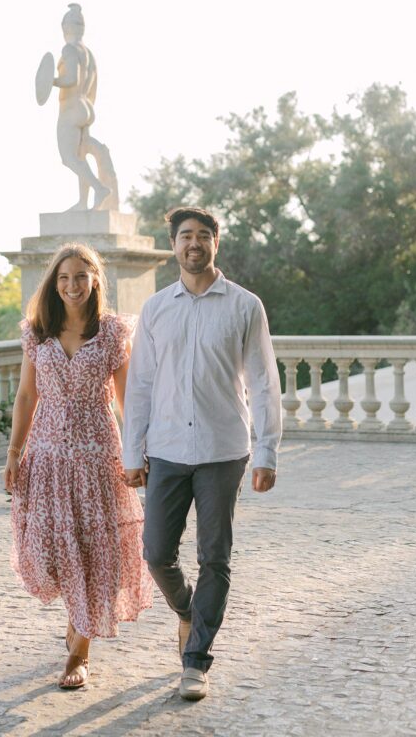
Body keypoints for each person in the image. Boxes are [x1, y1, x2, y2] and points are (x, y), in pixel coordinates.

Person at [122, 206, 282, 701]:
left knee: (215, 556)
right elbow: (142, 385)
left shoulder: (244, 305)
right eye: (185, 236)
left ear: (217, 243)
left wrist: (266, 454)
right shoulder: (155, 309)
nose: (194, 244)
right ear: (173, 245)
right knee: (155, 553)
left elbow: (263, 381)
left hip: (222, 450)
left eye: (203, 236)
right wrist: (133, 450)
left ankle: (196, 661)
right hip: (166, 449)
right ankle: (190, 612)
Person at [5, 242, 152, 690]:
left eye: (81, 277)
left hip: (97, 457)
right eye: (64, 278)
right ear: (54, 283)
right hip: (46, 457)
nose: (72, 286)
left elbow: (128, 400)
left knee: (94, 553)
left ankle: (79, 650)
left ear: (95, 282)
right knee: (52, 550)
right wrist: (14, 454)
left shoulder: (111, 333)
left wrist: (136, 453)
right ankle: (77, 619)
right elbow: (27, 396)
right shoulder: (38, 332)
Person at [52, 3, 119, 212]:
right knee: (80, 156)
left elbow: (71, 78)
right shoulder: (87, 52)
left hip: (71, 107)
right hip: (86, 106)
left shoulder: (69, 49)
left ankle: (99, 189)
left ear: (65, 27)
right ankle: (83, 202)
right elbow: (93, 85)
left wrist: (52, 81)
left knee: (69, 158)